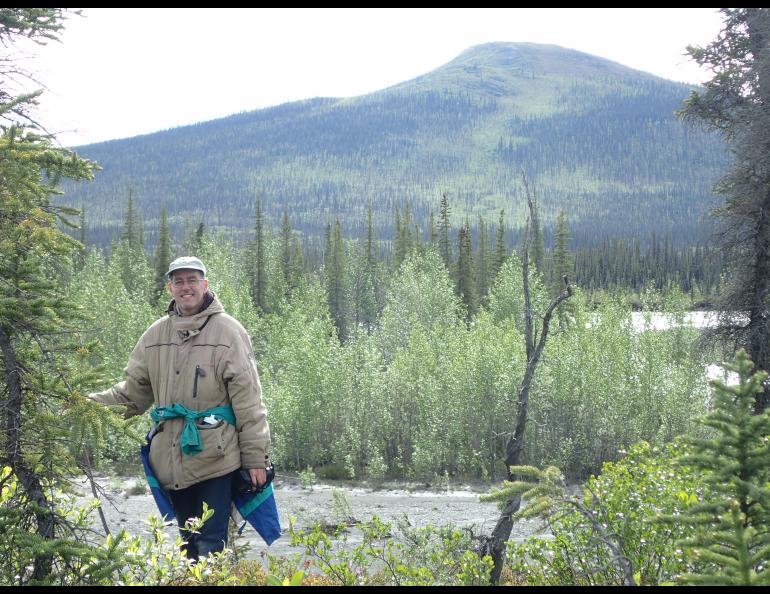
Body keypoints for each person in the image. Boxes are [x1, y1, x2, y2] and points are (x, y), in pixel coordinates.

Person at [89, 256, 271, 560]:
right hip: (172, 460)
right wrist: (87, 407)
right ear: (170, 287)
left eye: (192, 280)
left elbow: (249, 401)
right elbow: (132, 394)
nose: (185, 287)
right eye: (179, 281)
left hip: (217, 456)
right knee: (188, 542)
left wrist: (256, 457)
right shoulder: (155, 336)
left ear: (205, 284)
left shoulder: (229, 333)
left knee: (211, 543)